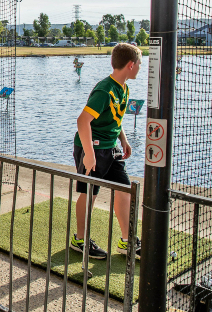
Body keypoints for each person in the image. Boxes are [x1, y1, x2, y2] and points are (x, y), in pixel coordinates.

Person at [71, 43, 142, 260]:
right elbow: (83, 121)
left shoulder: (124, 88)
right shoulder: (105, 89)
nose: (140, 67)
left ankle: (127, 241)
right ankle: (80, 240)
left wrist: (124, 140)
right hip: (92, 149)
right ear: (130, 65)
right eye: (139, 63)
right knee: (89, 193)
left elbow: (114, 119)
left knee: (124, 190)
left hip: (111, 149)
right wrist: (90, 154)